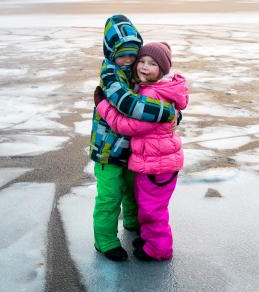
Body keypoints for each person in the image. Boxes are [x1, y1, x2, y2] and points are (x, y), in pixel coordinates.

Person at [90, 15, 177, 262]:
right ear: (110, 53)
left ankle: (132, 223)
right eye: (122, 54)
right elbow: (129, 104)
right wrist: (167, 113)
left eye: (132, 54)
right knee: (109, 197)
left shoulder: (134, 71)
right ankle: (105, 240)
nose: (128, 60)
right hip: (107, 151)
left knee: (132, 191)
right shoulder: (111, 75)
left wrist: (174, 113)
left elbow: (157, 93)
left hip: (131, 149)